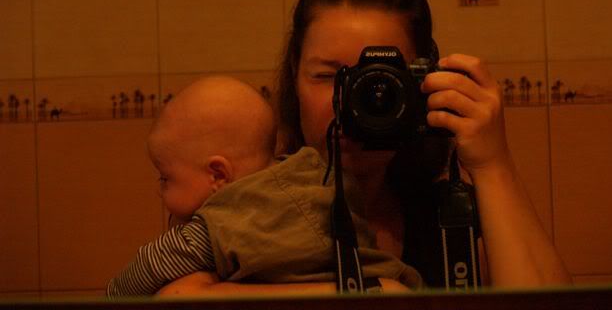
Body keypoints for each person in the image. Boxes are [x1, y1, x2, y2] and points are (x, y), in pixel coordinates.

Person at [159, 0, 572, 295]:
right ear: (294, 78)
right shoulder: (244, 204)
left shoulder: (450, 217)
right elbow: (175, 297)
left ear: (420, 81)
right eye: (328, 76)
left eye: (379, 80)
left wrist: (493, 163)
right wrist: (378, 293)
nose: (351, 98)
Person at [107, 75, 418, 297]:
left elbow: (150, 266)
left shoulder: (226, 221)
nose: (160, 191)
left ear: (218, 176)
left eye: (166, 178)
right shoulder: (312, 176)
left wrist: (113, 295)